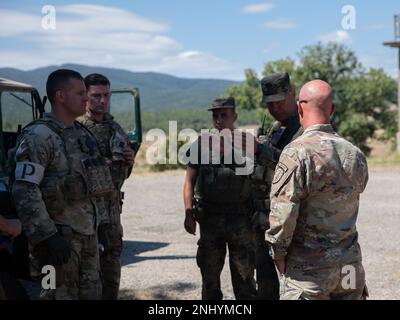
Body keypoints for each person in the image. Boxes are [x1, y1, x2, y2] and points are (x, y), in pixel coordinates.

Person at [12, 69, 114, 300]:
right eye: (79, 93)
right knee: (53, 295)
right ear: (60, 96)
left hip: (87, 239)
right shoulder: (38, 136)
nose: (86, 98)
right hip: (55, 245)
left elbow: (95, 185)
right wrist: (47, 236)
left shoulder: (82, 133)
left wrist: (102, 227)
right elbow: (25, 190)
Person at [266, 80, 369, 300]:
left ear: (300, 108)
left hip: (309, 271)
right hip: (348, 269)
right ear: (332, 110)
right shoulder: (355, 154)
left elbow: (283, 215)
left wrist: (278, 254)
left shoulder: (296, 153)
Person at [183, 97, 256, 300]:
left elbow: (258, 179)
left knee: (245, 279)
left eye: (224, 115)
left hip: (241, 219)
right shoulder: (201, 145)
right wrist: (188, 212)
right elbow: (189, 180)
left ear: (234, 116)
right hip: (210, 220)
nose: (219, 120)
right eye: (216, 115)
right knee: (210, 280)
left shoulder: (248, 144)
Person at [77, 73, 135, 300]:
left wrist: (129, 161)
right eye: (97, 96)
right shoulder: (76, 128)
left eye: (106, 95)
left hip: (111, 212)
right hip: (85, 213)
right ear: (85, 96)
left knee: (111, 271)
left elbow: (122, 174)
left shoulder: (115, 128)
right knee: (87, 274)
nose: (103, 100)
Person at [250, 72, 303, 299]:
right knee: (266, 285)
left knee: (294, 286)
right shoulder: (275, 128)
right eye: (270, 104)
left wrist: (260, 150)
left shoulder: (304, 128)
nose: (275, 108)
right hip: (264, 221)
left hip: (290, 223)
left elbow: (295, 166)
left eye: (280, 101)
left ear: (292, 94)